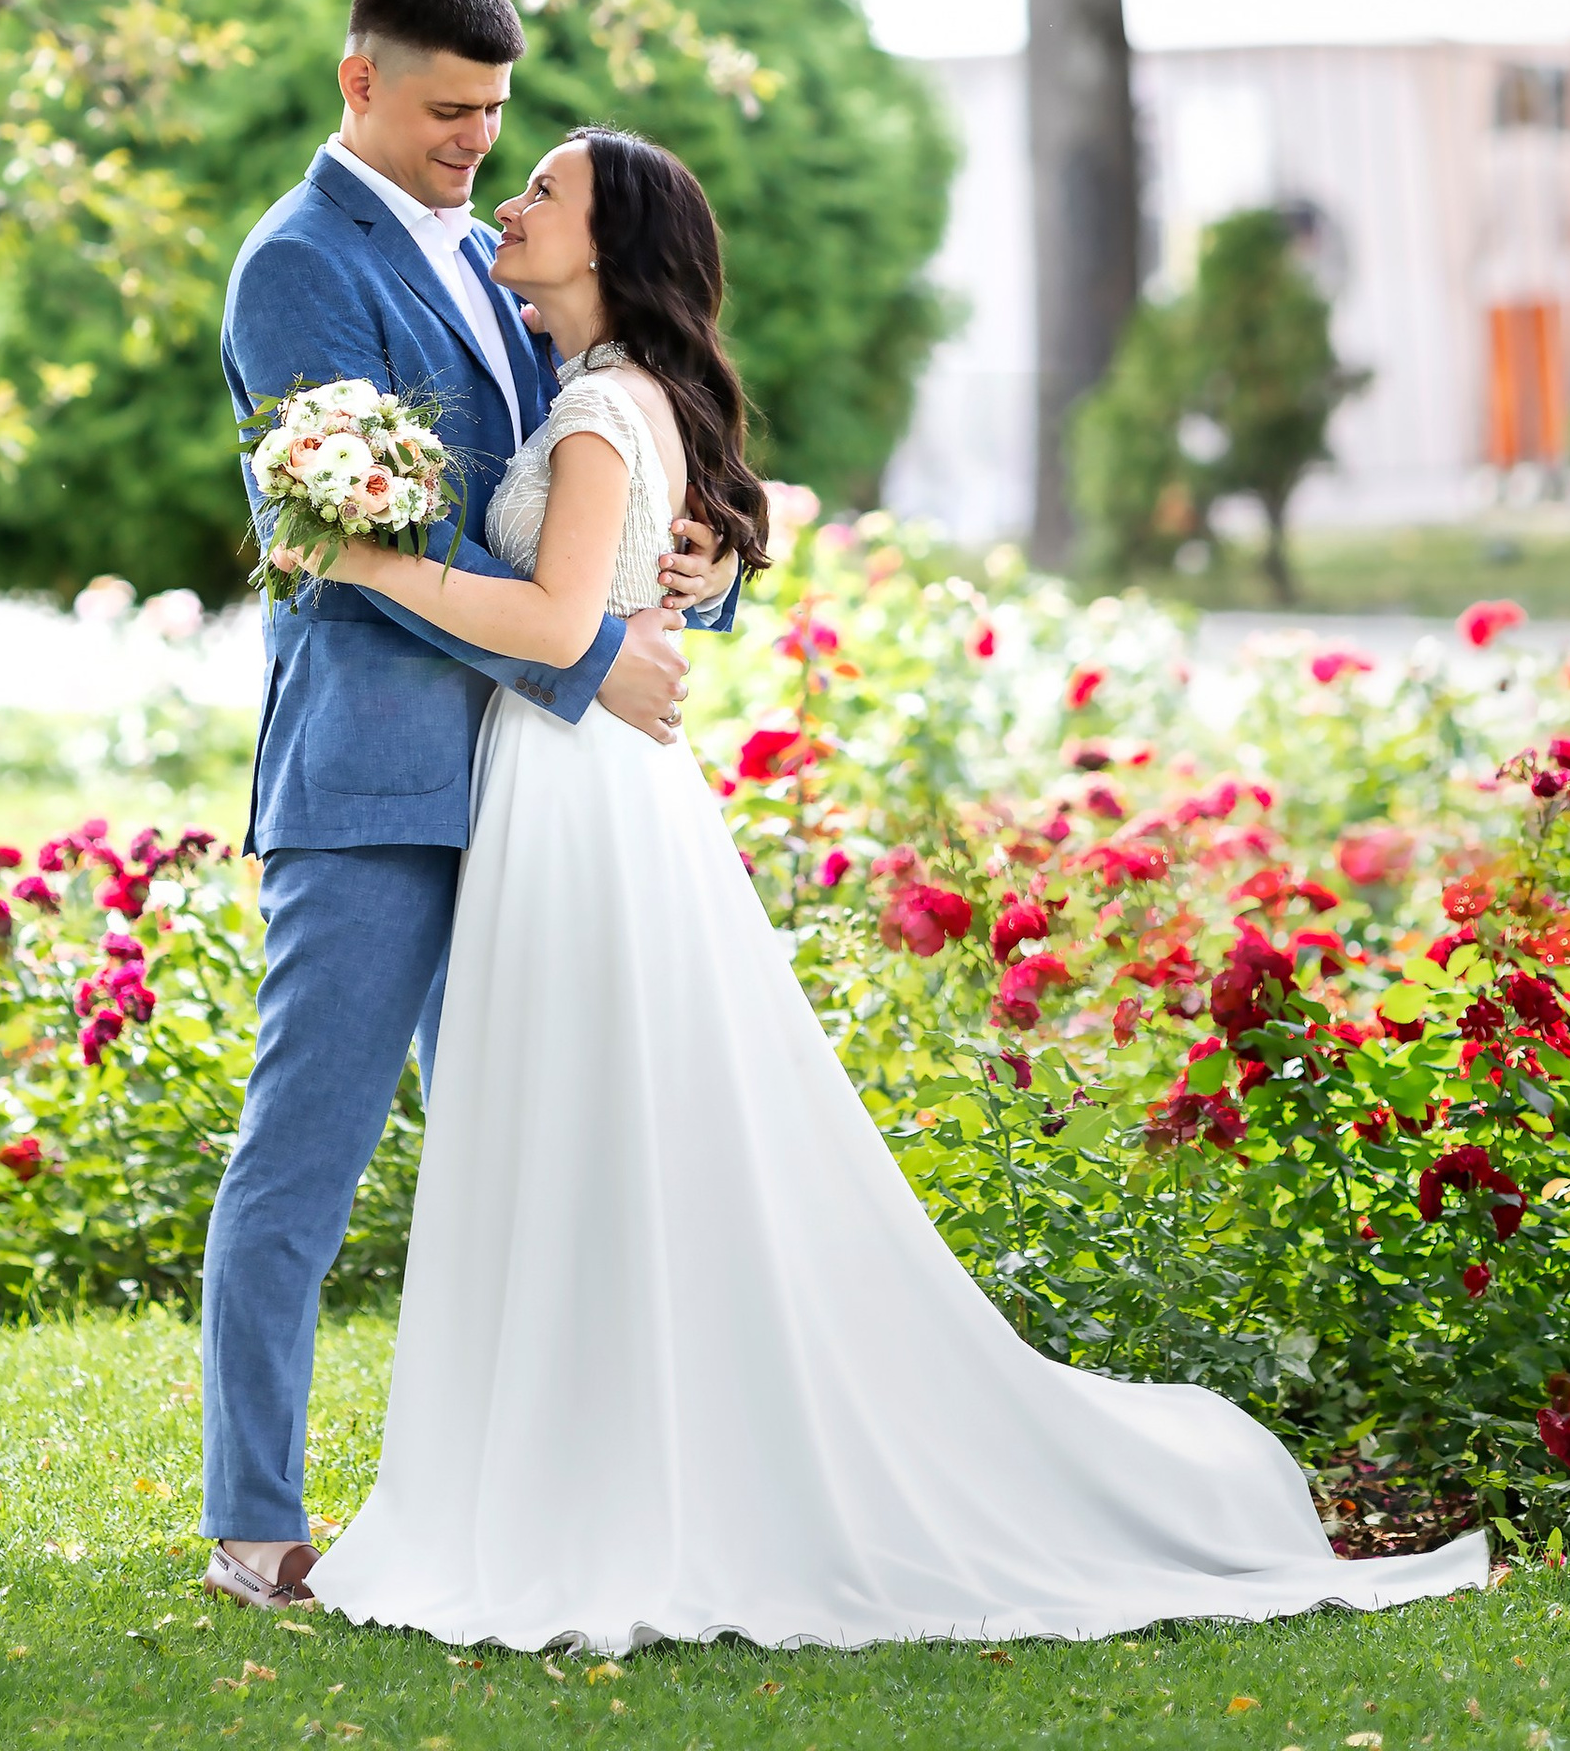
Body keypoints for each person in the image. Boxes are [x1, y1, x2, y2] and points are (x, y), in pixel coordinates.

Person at [302, 125, 1490, 1652]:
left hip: (580, 782)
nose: (514, 203)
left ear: (607, 250)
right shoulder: (608, 390)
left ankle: (581, 1483)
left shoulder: (600, 412)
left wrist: (365, 559)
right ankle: (583, 1454)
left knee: (585, 1117)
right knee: (597, 1122)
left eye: (548, 194)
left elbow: (548, 618)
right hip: (581, 782)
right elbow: (648, 569)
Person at [201, 0, 740, 1613]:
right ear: (359, 82)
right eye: (447, 113)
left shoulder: (499, 271)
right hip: (377, 788)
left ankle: (574, 1499)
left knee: (544, 1158)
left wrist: (696, 573)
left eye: (496, 118)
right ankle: (253, 1527)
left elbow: (575, 487)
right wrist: (590, 663)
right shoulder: (298, 266)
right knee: (305, 1156)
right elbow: (379, 536)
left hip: (531, 805)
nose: (474, 148)